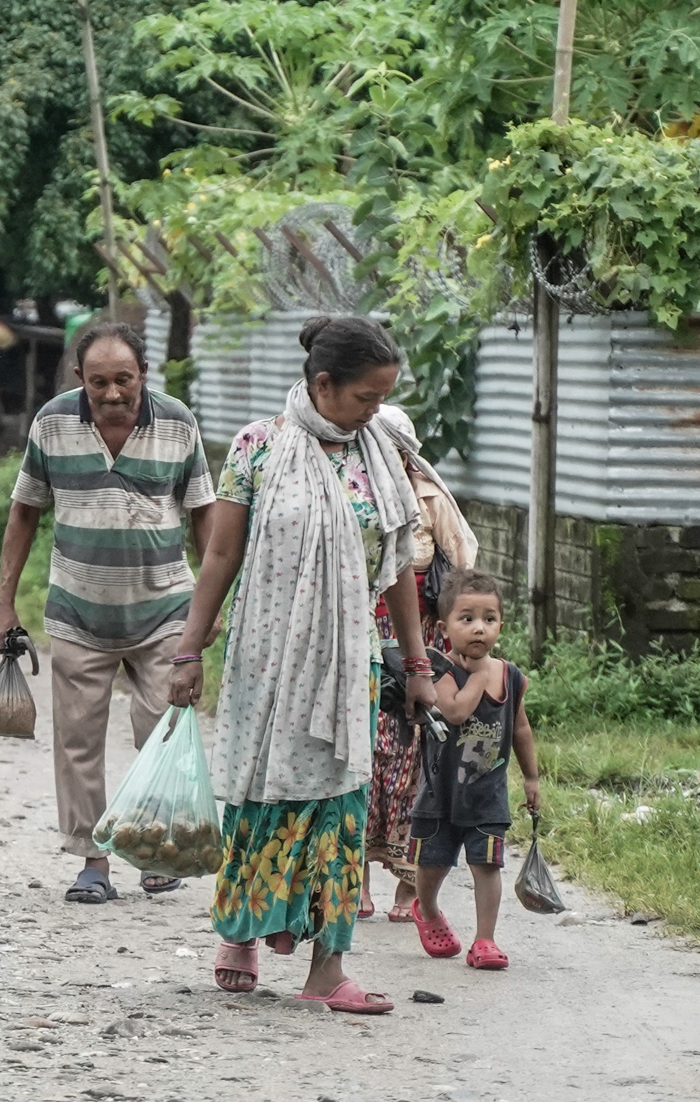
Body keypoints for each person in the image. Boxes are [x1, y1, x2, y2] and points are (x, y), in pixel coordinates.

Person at [172, 315, 435, 1013]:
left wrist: (417, 664)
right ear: (323, 384)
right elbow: (221, 556)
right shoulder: (258, 447)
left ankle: (328, 966)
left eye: (384, 397)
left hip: (352, 662)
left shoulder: (380, 451)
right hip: (268, 656)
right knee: (264, 796)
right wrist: (188, 647)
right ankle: (241, 929)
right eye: (365, 397)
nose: (376, 410)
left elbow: (401, 564)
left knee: (341, 806)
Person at [0, 320, 214, 904]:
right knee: (77, 741)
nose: (113, 393)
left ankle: (151, 847)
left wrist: (211, 606)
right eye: (99, 383)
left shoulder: (178, 423)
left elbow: (205, 517)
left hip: (166, 610)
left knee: (162, 735)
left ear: (144, 375)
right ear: (79, 380)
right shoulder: (52, 422)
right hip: (78, 612)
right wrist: (3, 601)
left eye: (125, 380)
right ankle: (93, 860)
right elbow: (24, 513)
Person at [361, 407, 479, 924]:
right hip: (365, 642)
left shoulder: (431, 500)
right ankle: (355, 880)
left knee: (417, 761)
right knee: (364, 756)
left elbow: (462, 569)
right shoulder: (354, 493)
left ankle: (408, 889)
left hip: (419, 647)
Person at [408, 570, 538, 971]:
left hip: (487, 794)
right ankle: (426, 908)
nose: (479, 628)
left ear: (500, 624)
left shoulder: (511, 676)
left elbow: (519, 727)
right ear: (445, 627)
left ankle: (485, 939)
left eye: (489, 618)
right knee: (434, 863)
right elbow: (455, 712)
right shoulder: (438, 670)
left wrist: (531, 777)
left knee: (487, 865)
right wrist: (480, 678)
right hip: (440, 793)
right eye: (467, 619)